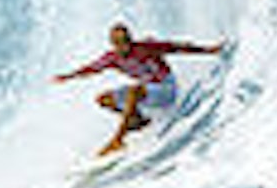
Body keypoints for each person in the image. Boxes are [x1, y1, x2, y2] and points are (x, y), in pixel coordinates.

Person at [53, 23, 224, 156]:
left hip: (165, 89)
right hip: (148, 92)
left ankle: (118, 139)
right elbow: (91, 68)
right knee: (103, 99)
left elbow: (177, 47)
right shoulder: (112, 58)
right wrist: (68, 76)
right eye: (120, 43)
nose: (125, 45)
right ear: (113, 44)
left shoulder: (145, 47)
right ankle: (139, 121)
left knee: (134, 91)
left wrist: (208, 50)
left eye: (127, 40)